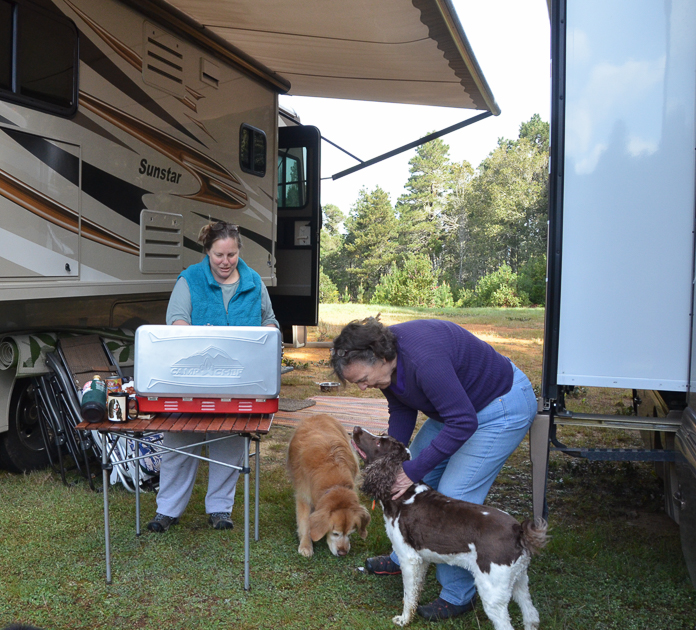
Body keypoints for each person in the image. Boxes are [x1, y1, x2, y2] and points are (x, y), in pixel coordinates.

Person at [329, 316, 537, 622]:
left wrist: (410, 471)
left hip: (498, 407)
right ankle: (407, 552)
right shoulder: (385, 366)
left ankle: (457, 595)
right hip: (455, 408)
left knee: (452, 495)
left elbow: (464, 421)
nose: (362, 387)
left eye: (363, 379)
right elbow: (402, 407)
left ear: (381, 357)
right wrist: (394, 461)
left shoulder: (424, 360)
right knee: (418, 478)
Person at [147, 220, 280, 533]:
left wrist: (268, 336)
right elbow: (176, 321)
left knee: (230, 444)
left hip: (239, 381)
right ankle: (167, 511)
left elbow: (270, 321)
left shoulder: (253, 282)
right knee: (179, 443)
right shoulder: (190, 279)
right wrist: (194, 334)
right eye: (219, 255)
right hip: (189, 379)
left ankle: (220, 510)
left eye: (231, 255)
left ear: (238, 252)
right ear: (207, 252)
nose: (225, 261)